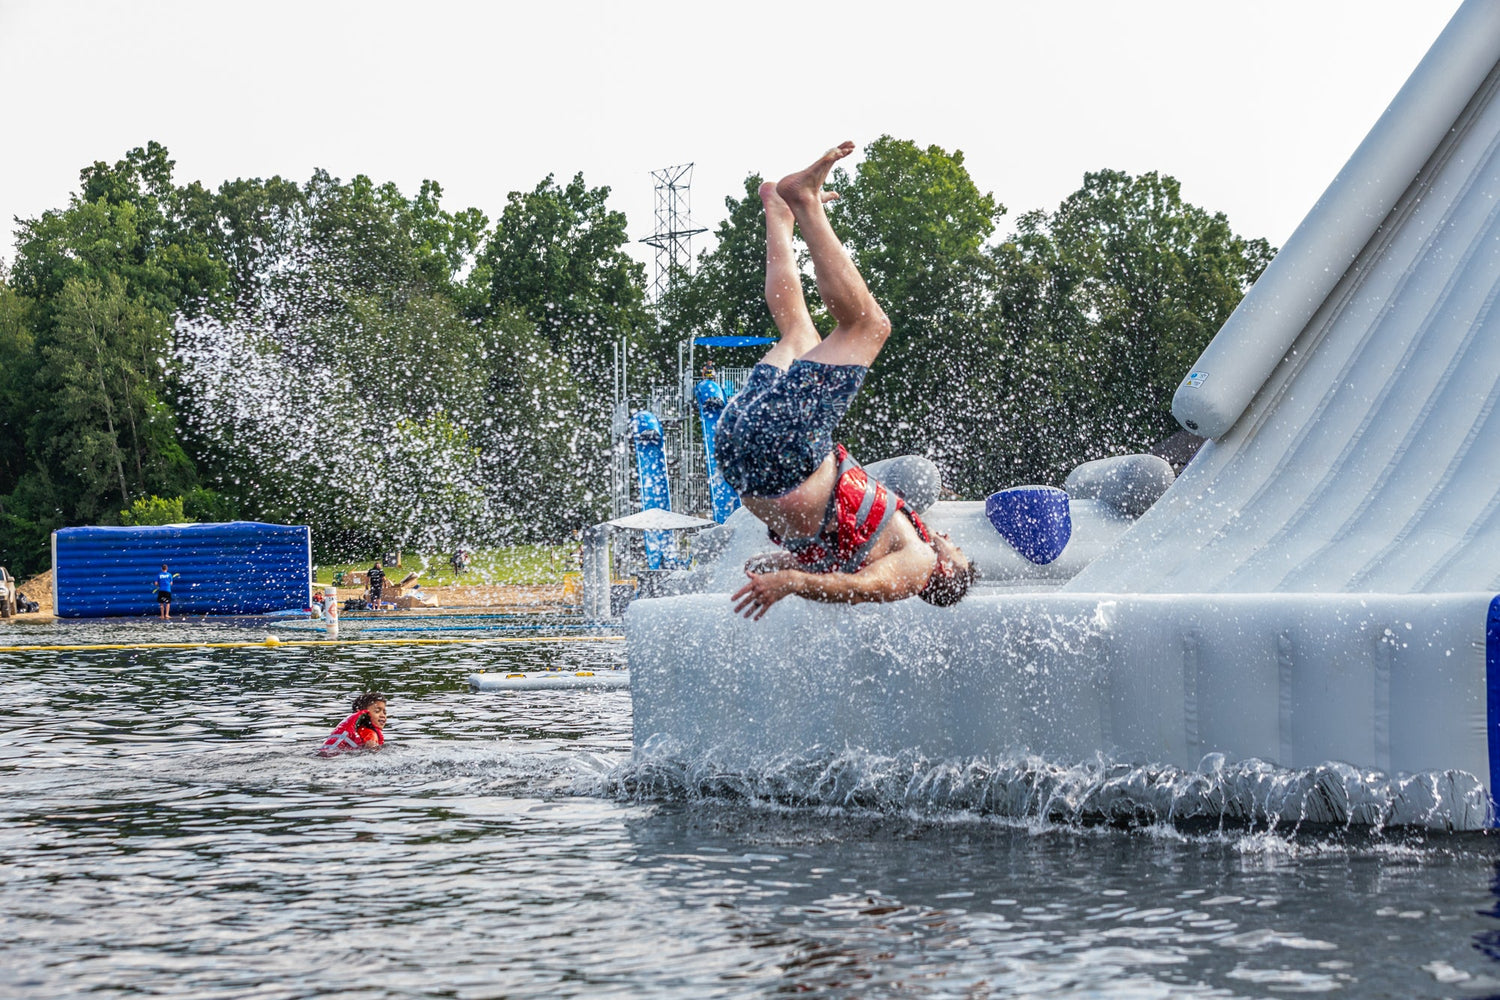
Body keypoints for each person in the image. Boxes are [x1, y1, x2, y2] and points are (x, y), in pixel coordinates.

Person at [715, 142, 978, 621]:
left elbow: (858, 588)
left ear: (948, 572)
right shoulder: (875, 546)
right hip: (741, 448)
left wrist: (792, 581)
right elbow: (816, 559)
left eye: (957, 552)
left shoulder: (919, 565)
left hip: (785, 454)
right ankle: (779, 213)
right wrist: (784, 566)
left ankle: (804, 201)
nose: (950, 541)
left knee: (868, 326)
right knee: (800, 334)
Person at [321, 692, 387, 753]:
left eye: (384, 712)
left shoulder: (356, 731)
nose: (383, 715)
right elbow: (372, 752)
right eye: (377, 711)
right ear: (361, 712)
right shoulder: (370, 734)